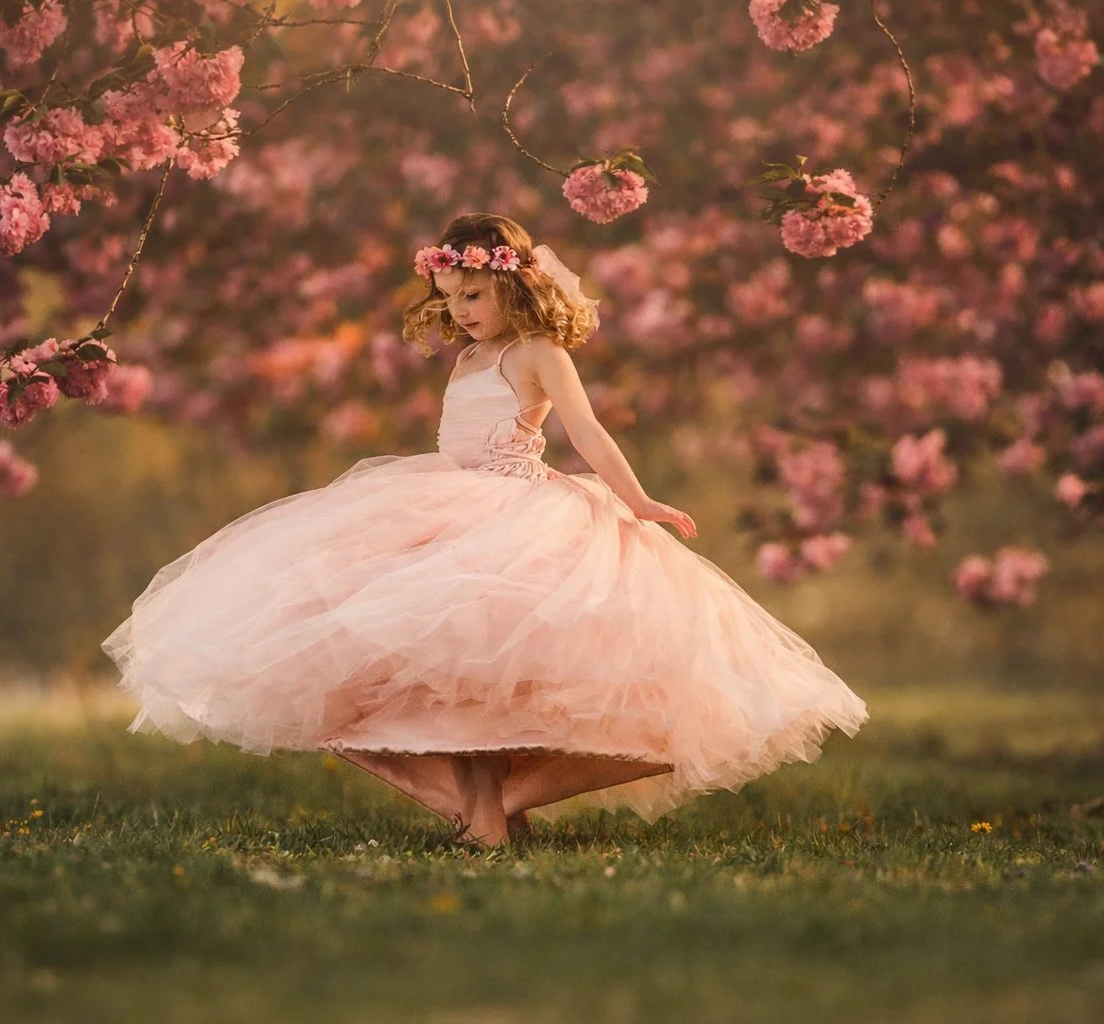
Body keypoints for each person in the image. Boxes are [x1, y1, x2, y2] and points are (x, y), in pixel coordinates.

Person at [101, 212, 867, 848]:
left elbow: (589, 432)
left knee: (502, 678)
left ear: (509, 281)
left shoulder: (539, 351)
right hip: (443, 506)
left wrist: (638, 503)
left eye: (472, 292)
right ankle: (484, 818)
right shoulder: (468, 356)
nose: (461, 309)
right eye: (449, 295)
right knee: (387, 682)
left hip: (519, 513)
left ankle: (491, 813)